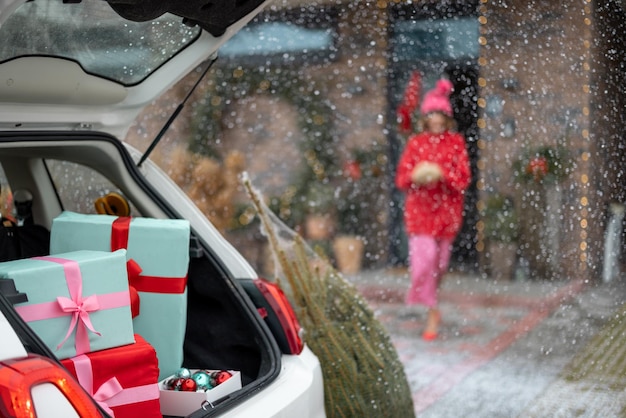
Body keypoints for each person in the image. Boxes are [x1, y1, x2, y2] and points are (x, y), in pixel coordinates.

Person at [395, 77, 471, 341]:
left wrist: (442, 174)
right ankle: (430, 312)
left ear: (447, 118)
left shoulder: (456, 143)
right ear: (425, 118)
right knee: (422, 265)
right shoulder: (416, 143)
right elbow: (402, 179)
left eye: (440, 116)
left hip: (447, 213)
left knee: (438, 266)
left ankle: (431, 305)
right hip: (420, 212)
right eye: (431, 116)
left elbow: (463, 180)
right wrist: (418, 175)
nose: (436, 121)